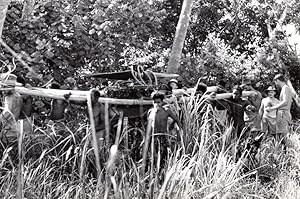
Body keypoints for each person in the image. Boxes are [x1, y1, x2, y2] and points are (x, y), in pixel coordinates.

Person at [147, 91, 182, 168]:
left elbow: (177, 120)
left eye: (158, 102)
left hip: (164, 136)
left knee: (165, 155)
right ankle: (155, 171)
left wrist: (179, 132)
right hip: (154, 137)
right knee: (154, 155)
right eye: (154, 102)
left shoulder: (166, 111)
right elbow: (149, 126)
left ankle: (166, 169)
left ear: (162, 102)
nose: (156, 104)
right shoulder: (151, 112)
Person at [266, 74, 293, 144]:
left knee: (283, 137)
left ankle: (288, 153)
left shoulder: (285, 88)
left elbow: (285, 102)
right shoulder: (285, 88)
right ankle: (284, 153)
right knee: (281, 137)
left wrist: (272, 108)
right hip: (282, 114)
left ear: (277, 80)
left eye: (275, 82)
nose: (276, 84)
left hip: (283, 114)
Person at [0, 74, 23, 142]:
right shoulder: (18, 95)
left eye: (4, 86)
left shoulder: (10, 97)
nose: (3, 89)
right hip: (14, 128)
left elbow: (7, 113)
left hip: (9, 130)